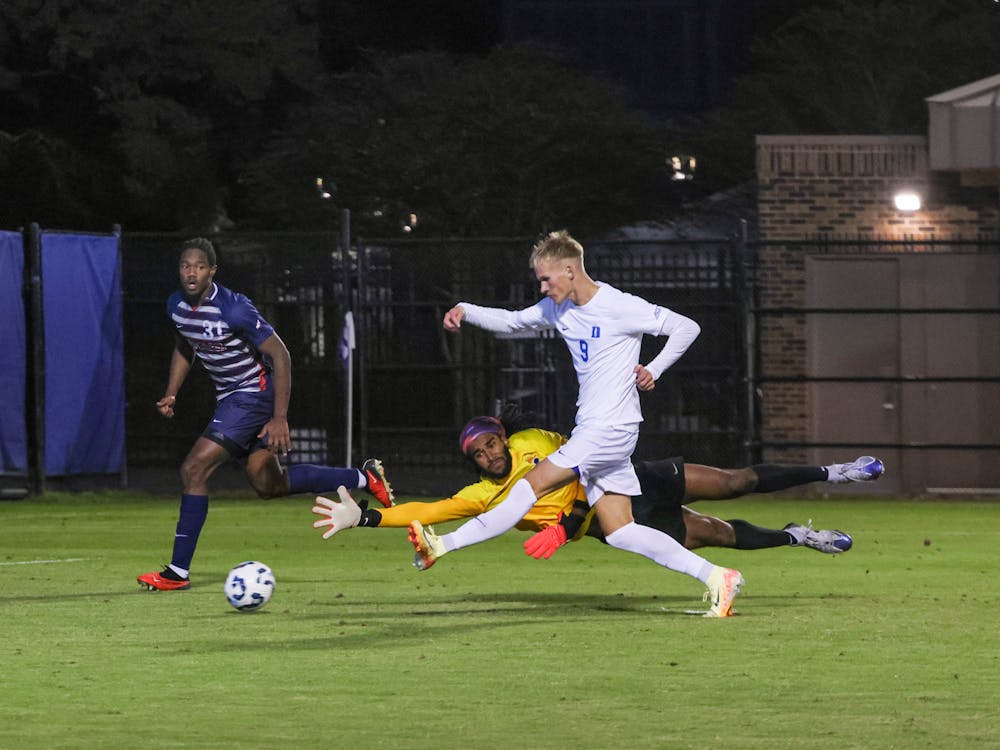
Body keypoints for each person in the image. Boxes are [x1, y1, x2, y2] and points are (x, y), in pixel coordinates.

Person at [407, 230, 742, 614]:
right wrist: (467, 310)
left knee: (526, 487)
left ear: (569, 270)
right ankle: (718, 577)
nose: (543, 287)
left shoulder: (618, 305)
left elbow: (687, 327)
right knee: (620, 532)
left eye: (546, 279)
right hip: (599, 430)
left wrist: (654, 368)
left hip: (609, 428)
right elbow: (514, 322)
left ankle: (442, 544)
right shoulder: (560, 308)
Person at [137, 237, 394, 592]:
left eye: (199, 266)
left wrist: (280, 417)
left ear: (212, 271)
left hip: (253, 395)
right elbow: (185, 345)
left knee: (193, 468)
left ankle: (176, 573)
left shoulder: (234, 308)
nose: (191, 272)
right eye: (185, 266)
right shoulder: (176, 306)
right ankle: (365, 478)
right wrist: (171, 392)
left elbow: (281, 356)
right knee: (268, 484)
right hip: (232, 398)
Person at [312, 415, 883, 562]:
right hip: (614, 524)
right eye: (478, 454)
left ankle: (836, 473)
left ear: (503, 437)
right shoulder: (482, 498)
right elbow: (426, 509)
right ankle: (796, 539)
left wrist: (563, 519)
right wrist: (364, 518)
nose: (489, 455)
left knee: (735, 482)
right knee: (716, 535)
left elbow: (591, 446)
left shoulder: (535, 440)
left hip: (627, 482)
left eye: (491, 444)